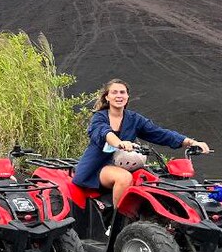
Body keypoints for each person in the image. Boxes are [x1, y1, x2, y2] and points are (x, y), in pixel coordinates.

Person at [73, 78, 209, 223]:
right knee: (124, 178)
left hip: (124, 163)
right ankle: (116, 223)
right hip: (97, 167)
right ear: (107, 96)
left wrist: (190, 142)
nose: (119, 96)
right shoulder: (99, 117)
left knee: (153, 178)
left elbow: (159, 133)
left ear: (127, 96)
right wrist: (119, 143)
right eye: (114, 92)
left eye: (122, 92)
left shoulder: (133, 119)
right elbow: (104, 133)